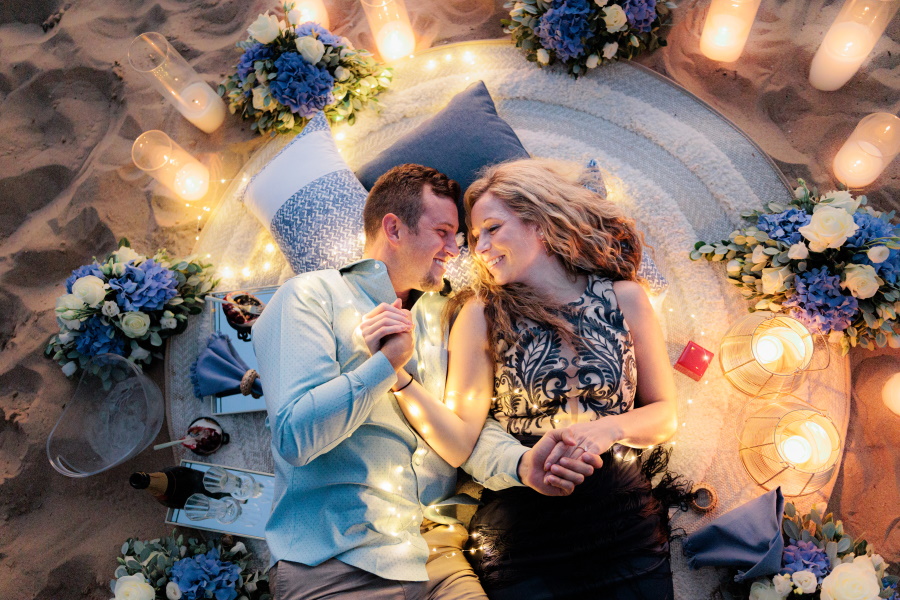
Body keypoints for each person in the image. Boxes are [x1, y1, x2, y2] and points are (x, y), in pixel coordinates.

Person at [252, 163, 597, 600]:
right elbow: (294, 437)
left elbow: (457, 430)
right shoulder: (310, 296)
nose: (455, 250)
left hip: (438, 555)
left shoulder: (444, 318)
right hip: (338, 561)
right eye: (443, 232)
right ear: (393, 228)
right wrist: (384, 366)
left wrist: (522, 464)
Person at [387, 159, 679, 599]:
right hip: (524, 529)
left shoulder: (626, 298)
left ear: (540, 222)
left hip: (622, 521)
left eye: (492, 228)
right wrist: (398, 378)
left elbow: (665, 413)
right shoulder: (481, 315)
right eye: (473, 237)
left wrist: (605, 430)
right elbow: (460, 443)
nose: (479, 247)